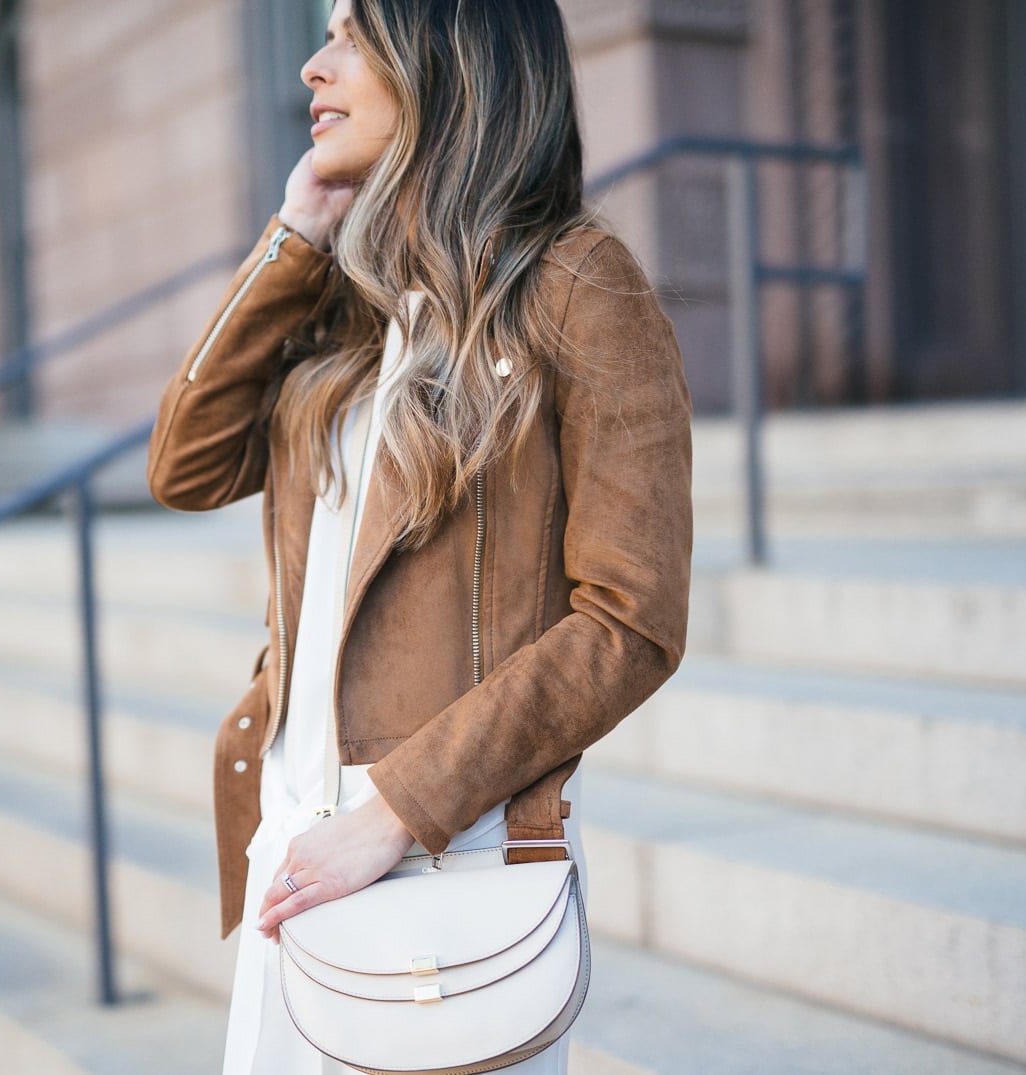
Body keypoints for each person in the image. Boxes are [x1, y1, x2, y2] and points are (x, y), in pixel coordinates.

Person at [146, 0, 693, 1070]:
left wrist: (397, 807)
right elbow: (185, 465)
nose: (312, 66)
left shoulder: (576, 286)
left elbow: (632, 618)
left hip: (443, 855)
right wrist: (292, 238)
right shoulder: (354, 306)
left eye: (352, 34)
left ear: (448, 55)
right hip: (298, 850)